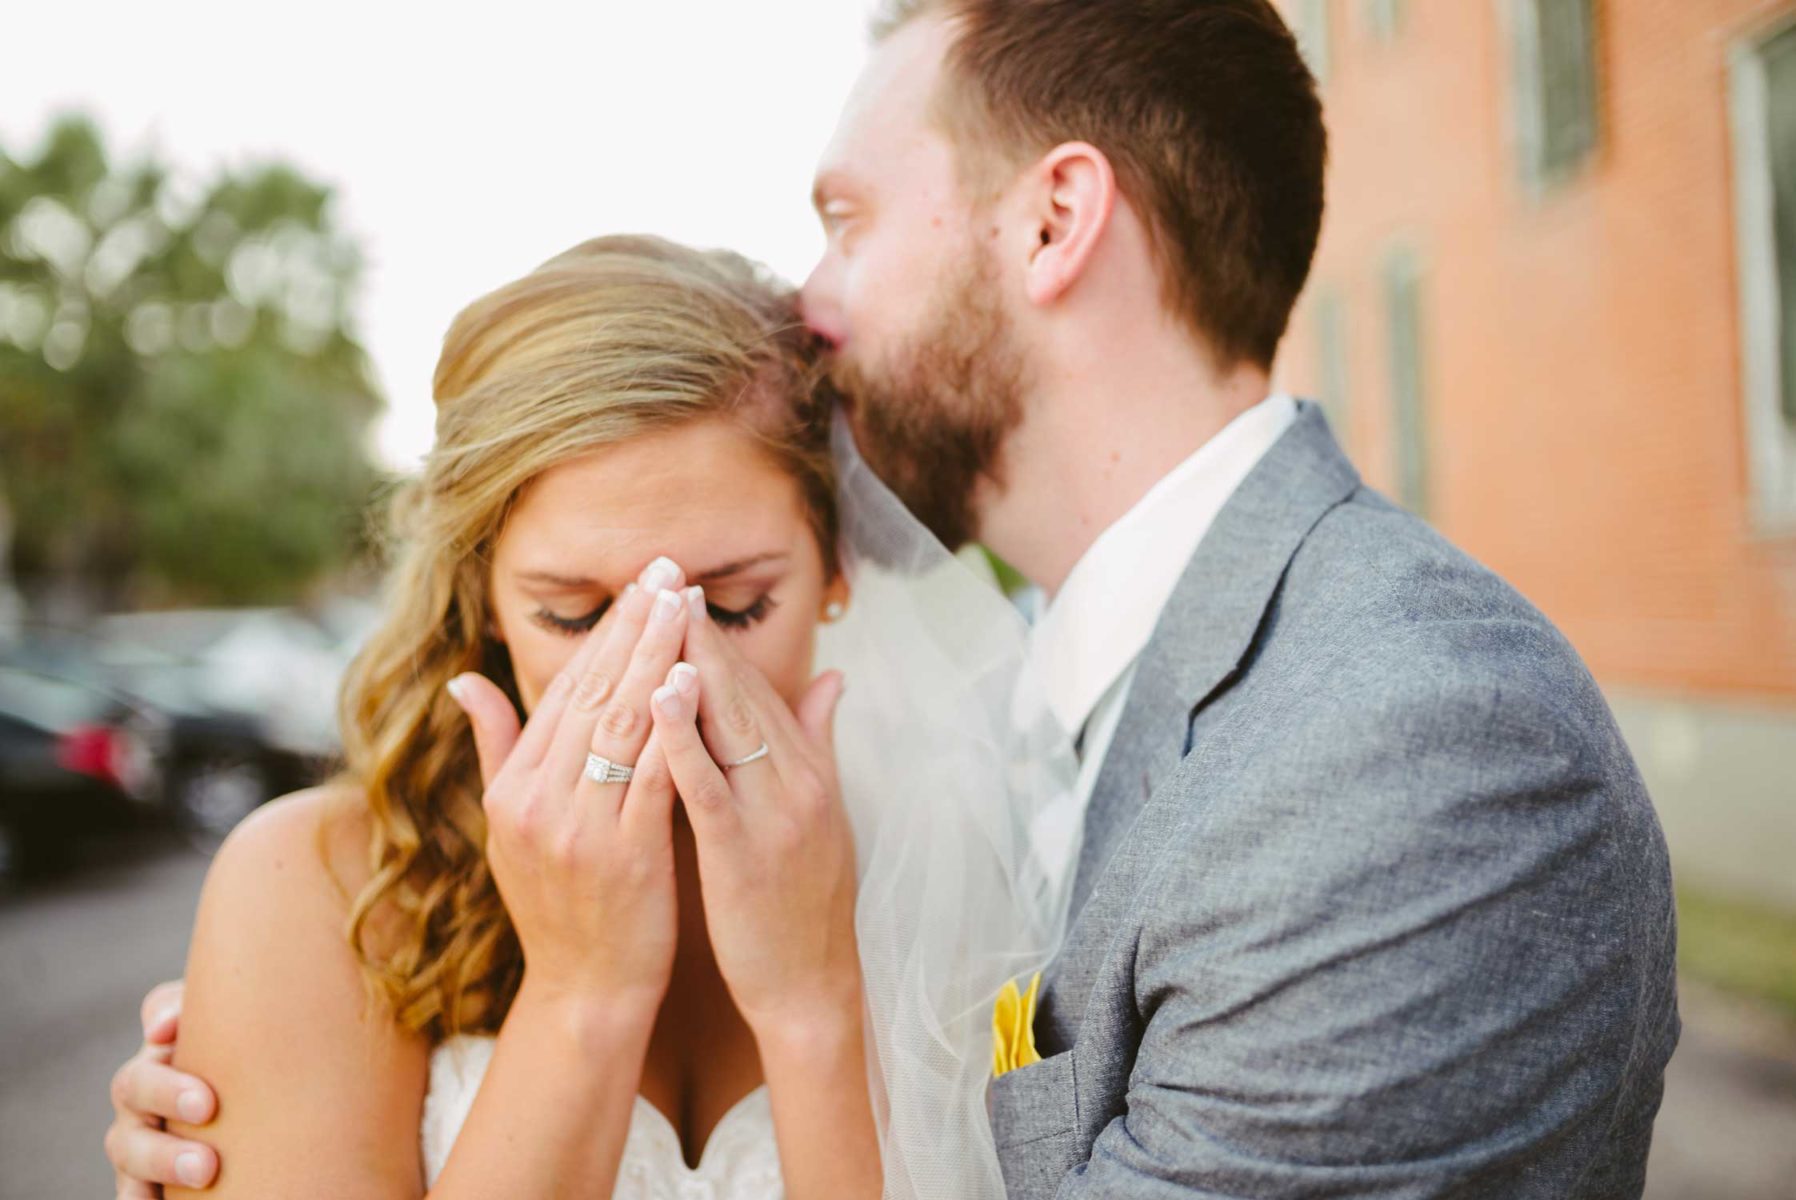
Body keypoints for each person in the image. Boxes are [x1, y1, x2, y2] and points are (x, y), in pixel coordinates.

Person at [109, 2, 1680, 1198]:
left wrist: (810, 1011)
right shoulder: (1074, 711)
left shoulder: (1404, 756)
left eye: (847, 221)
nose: (811, 303)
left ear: (1055, 222)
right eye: (579, 615)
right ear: (478, 595)